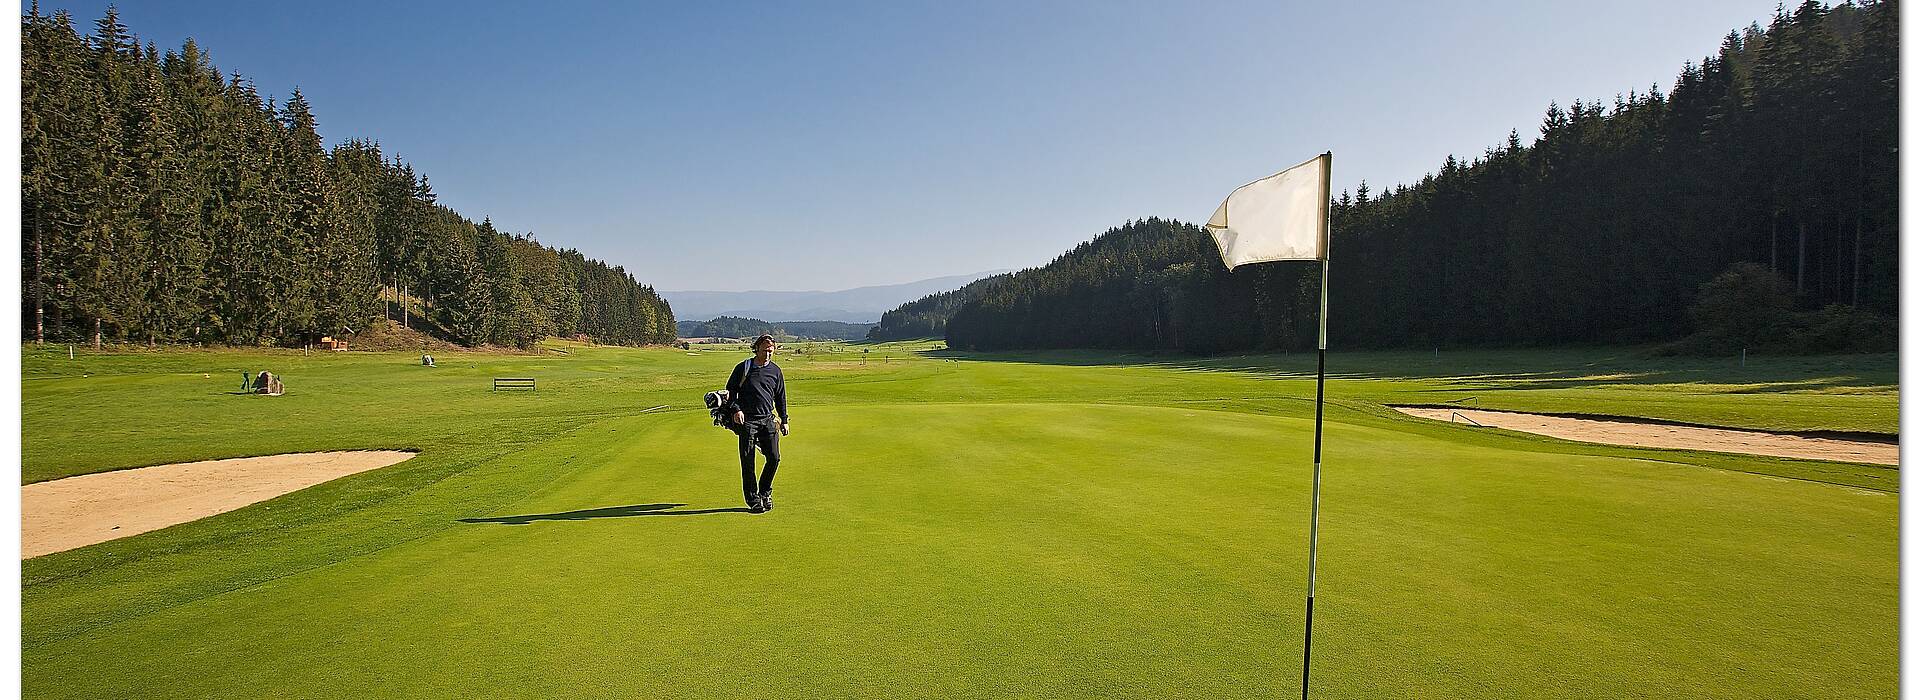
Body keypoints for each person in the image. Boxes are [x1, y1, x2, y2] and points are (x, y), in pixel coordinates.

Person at [726, 334, 789, 514]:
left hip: (767, 419)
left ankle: (765, 492)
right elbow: (731, 392)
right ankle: (753, 500)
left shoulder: (776, 371)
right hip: (747, 421)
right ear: (756, 349)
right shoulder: (744, 368)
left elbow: (780, 397)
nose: (768, 354)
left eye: (771, 351)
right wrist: (736, 409)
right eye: (764, 351)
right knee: (748, 461)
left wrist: (784, 420)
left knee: (774, 457)